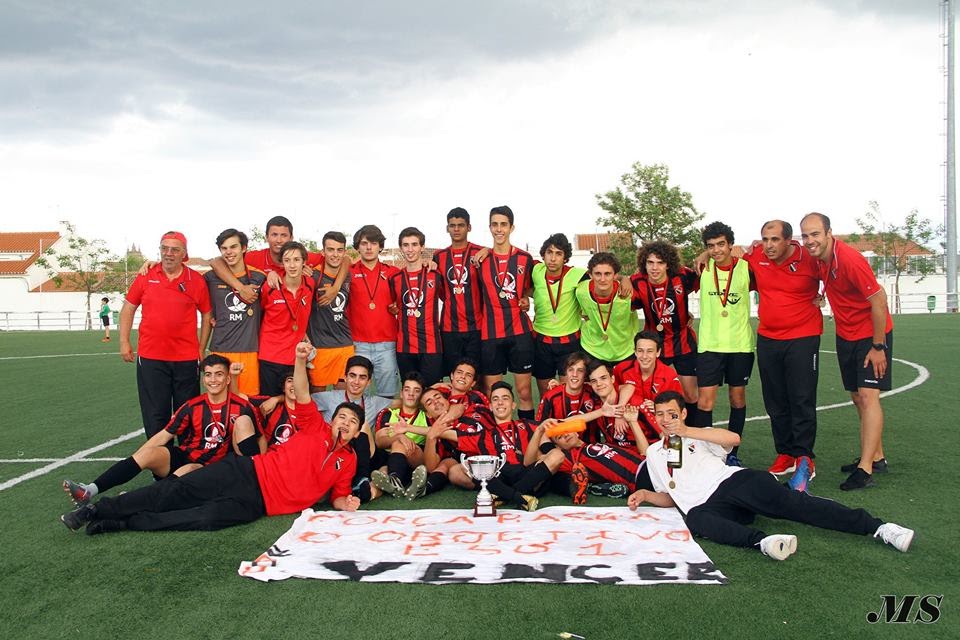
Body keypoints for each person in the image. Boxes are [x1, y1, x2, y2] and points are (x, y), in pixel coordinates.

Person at [61, 342, 363, 535]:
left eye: (352, 422)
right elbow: (303, 390)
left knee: (200, 518)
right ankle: (95, 509)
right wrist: (299, 361)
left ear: (357, 431)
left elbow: (337, 495)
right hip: (247, 472)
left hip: (258, 504)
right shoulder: (314, 427)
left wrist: (346, 502)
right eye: (342, 417)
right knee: (175, 493)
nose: (346, 424)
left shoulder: (348, 461)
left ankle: (121, 522)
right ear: (332, 419)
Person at [627, 391, 914, 560]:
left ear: (684, 414)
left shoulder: (698, 434)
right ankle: (764, 542)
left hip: (733, 482)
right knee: (697, 519)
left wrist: (687, 432)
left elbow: (733, 438)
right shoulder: (654, 453)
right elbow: (670, 496)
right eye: (661, 415)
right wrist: (646, 495)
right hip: (709, 506)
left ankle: (879, 527)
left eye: (672, 414)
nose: (666, 420)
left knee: (795, 506)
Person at [62, 354, 261, 506]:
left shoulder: (242, 407)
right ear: (203, 379)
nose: (213, 380)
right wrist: (136, 459)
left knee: (187, 472)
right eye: (208, 375)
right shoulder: (192, 406)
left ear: (227, 379)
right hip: (187, 457)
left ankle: (131, 500)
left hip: (215, 467)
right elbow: (165, 435)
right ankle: (89, 490)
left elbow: (258, 439)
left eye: (219, 374)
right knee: (149, 453)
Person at [800, 212, 894, 491]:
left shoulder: (850, 259)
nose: (810, 240)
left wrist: (878, 347)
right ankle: (876, 456)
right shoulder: (819, 260)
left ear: (829, 233)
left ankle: (865, 470)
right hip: (846, 333)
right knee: (856, 396)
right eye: (805, 235)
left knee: (868, 396)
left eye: (815, 234)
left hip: (871, 335)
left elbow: (879, 300)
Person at [741, 220, 823, 491]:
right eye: (765, 239)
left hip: (803, 336)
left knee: (801, 397)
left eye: (775, 239)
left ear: (789, 240)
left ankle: (804, 457)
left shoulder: (809, 259)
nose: (769, 245)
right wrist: (705, 254)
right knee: (775, 399)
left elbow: (835, 273)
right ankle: (785, 452)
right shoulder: (756, 256)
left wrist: (823, 295)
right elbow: (729, 259)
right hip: (768, 338)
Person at [120, 231, 212, 438]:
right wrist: (124, 341)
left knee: (187, 415)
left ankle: (188, 463)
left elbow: (207, 315)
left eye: (175, 249)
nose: (168, 253)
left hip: (186, 359)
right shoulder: (146, 275)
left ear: (184, 254)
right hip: (151, 358)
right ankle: (161, 469)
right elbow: (128, 308)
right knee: (156, 417)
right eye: (164, 248)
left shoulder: (196, 280)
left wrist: (201, 347)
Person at [695, 221, 755, 465]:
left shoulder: (746, 268)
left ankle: (732, 454)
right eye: (711, 246)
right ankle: (707, 456)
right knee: (705, 402)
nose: (717, 250)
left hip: (740, 346)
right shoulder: (702, 268)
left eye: (721, 244)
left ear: (731, 245)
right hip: (710, 346)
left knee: (737, 399)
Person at [475, 206, 536, 418]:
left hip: (519, 334)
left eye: (503, 224)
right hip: (490, 335)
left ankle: (527, 438)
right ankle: (495, 443)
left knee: (524, 392)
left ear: (512, 227)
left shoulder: (525, 258)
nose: (499, 229)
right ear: (489, 227)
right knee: (494, 395)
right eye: (495, 224)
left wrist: (526, 295)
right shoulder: (479, 260)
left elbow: (532, 285)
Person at [632, 240, 700, 420]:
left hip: (683, 343)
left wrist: (706, 254)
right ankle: (654, 436)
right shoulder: (636, 282)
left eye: (660, 262)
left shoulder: (683, 276)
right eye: (650, 262)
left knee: (691, 395)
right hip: (655, 345)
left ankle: (691, 435)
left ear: (668, 264)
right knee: (651, 394)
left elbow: (707, 274)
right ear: (644, 264)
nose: (655, 268)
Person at [204, 229, 267, 396]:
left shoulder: (259, 277)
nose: (229, 252)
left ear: (244, 248)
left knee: (248, 402)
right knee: (219, 401)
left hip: (249, 350)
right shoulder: (210, 277)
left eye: (233, 247)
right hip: (220, 349)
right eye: (224, 248)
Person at [530, 233, 587, 396]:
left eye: (559, 253)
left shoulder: (577, 275)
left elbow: (605, 274)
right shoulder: (535, 270)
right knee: (545, 392)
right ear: (543, 254)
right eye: (550, 252)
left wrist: (624, 280)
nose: (553, 258)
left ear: (565, 258)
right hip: (541, 342)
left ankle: (568, 421)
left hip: (569, 343)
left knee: (568, 391)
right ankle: (545, 419)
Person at [348, 224, 401, 398]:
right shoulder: (348, 273)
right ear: (357, 246)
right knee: (356, 394)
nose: (369, 247)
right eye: (364, 243)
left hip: (387, 343)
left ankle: (386, 425)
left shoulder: (393, 272)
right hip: (357, 344)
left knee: (387, 396)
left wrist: (397, 306)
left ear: (380, 246)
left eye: (373, 243)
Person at [388, 227, 445, 386]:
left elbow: (448, 299)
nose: (410, 249)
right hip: (404, 347)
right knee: (410, 395)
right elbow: (393, 305)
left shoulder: (436, 274)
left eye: (414, 244)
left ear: (422, 247)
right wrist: (394, 308)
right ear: (401, 248)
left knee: (432, 394)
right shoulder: (396, 278)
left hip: (431, 346)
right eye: (406, 245)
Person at [258, 241, 314, 396]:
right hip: (270, 357)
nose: (292, 265)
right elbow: (258, 313)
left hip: (296, 359)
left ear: (304, 262)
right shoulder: (270, 287)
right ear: (281, 263)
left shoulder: (310, 284)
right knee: (270, 404)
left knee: (297, 404)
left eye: (296, 260)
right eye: (287, 260)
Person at [434, 207, 485, 374]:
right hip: (450, 328)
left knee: (477, 376)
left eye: (461, 225)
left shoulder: (480, 253)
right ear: (447, 228)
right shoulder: (439, 256)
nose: (456, 229)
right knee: (454, 375)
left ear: (469, 227)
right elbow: (439, 291)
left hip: (476, 327)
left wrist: (489, 250)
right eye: (452, 225)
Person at [612, 331, 683, 442]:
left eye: (650, 351)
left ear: (658, 352)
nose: (644, 356)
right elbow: (611, 395)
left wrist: (658, 408)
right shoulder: (621, 369)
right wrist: (618, 414)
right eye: (640, 351)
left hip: (660, 429)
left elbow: (678, 412)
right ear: (635, 352)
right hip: (629, 428)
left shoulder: (669, 376)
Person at [306, 231, 355, 391]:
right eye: (331, 250)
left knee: (343, 399)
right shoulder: (312, 276)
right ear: (323, 252)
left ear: (344, 252)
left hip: (344, 345)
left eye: (339, 250)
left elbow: (347, 262)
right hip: (320, 346)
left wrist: (335, 287)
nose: (335, 254)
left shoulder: (347, 275)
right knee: (318, 398)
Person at [370, 372, 430, 500]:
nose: (411, 394)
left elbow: (434, 433)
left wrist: (401, 438)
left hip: (415, 458)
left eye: (416, 390)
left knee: (399, 443)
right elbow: (379, 441)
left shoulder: (427, 416)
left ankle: (395, 479)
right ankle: (380, 488)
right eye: (407, 389)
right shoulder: (388, 413)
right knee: (383, 471)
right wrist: (398, 436)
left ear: (421, 394)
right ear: (401, 393)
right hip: (390, 459)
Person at [575, 252, 639, 368]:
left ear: (615, 275)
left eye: (607, 274)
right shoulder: (580, 291)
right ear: (590, 275)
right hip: (593, 350)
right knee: (595, 386)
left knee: (626, 386)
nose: (602, 279)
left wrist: (625, 278)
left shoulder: (629, 294)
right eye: (598, 274)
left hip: (625, 351)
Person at [311, 354, 394, 424]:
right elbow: (301, 399)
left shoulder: (374, 403)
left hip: (360, 442)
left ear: (369, 382)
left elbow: (403, 402)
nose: (356, 382)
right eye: (352, 376)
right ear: (345, 378)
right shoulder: (328, 397)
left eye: (362, 377)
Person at [536, 351, 602, 423]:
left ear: (585, 375)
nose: (574, 374)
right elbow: (540, 428)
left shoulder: (594, 393)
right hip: (558, 434)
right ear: (565, 372)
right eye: (571, 370)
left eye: (580, 370)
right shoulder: (551, 397)